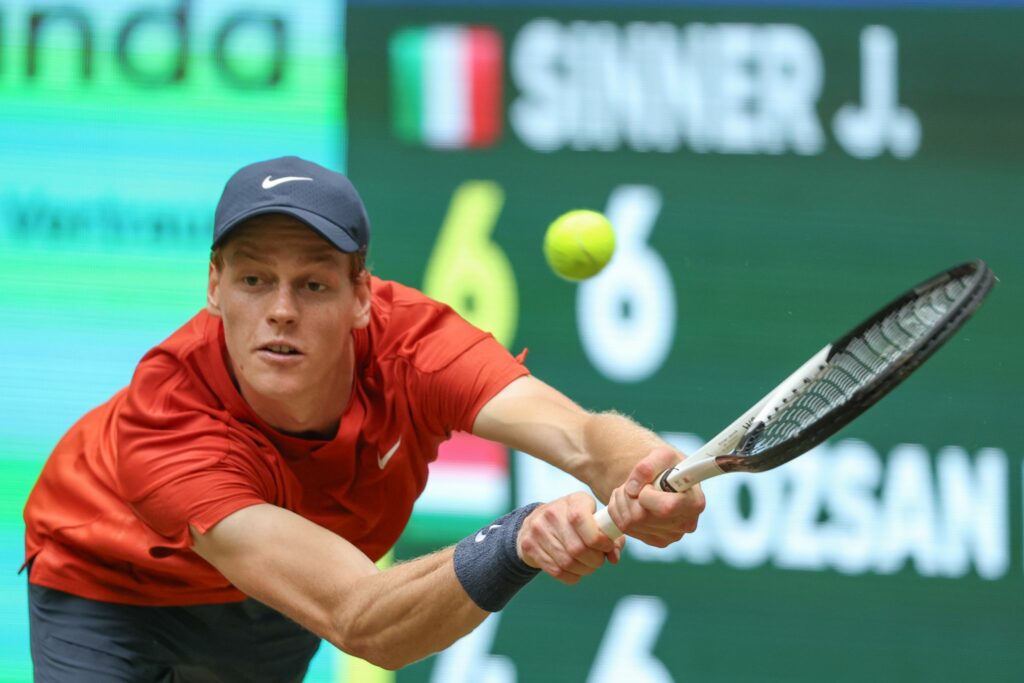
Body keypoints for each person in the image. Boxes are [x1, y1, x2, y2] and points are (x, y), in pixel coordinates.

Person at [23, 156, 705, 681]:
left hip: (270, 596)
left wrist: (648, 470)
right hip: (108, 583)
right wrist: (516, 540)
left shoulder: (416, 346)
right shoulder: (170, 417)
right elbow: (362, 618)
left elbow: (582, 436)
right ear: (213, 287)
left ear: (361, 296)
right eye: (254, 280)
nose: (281, 310)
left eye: (313, 284)